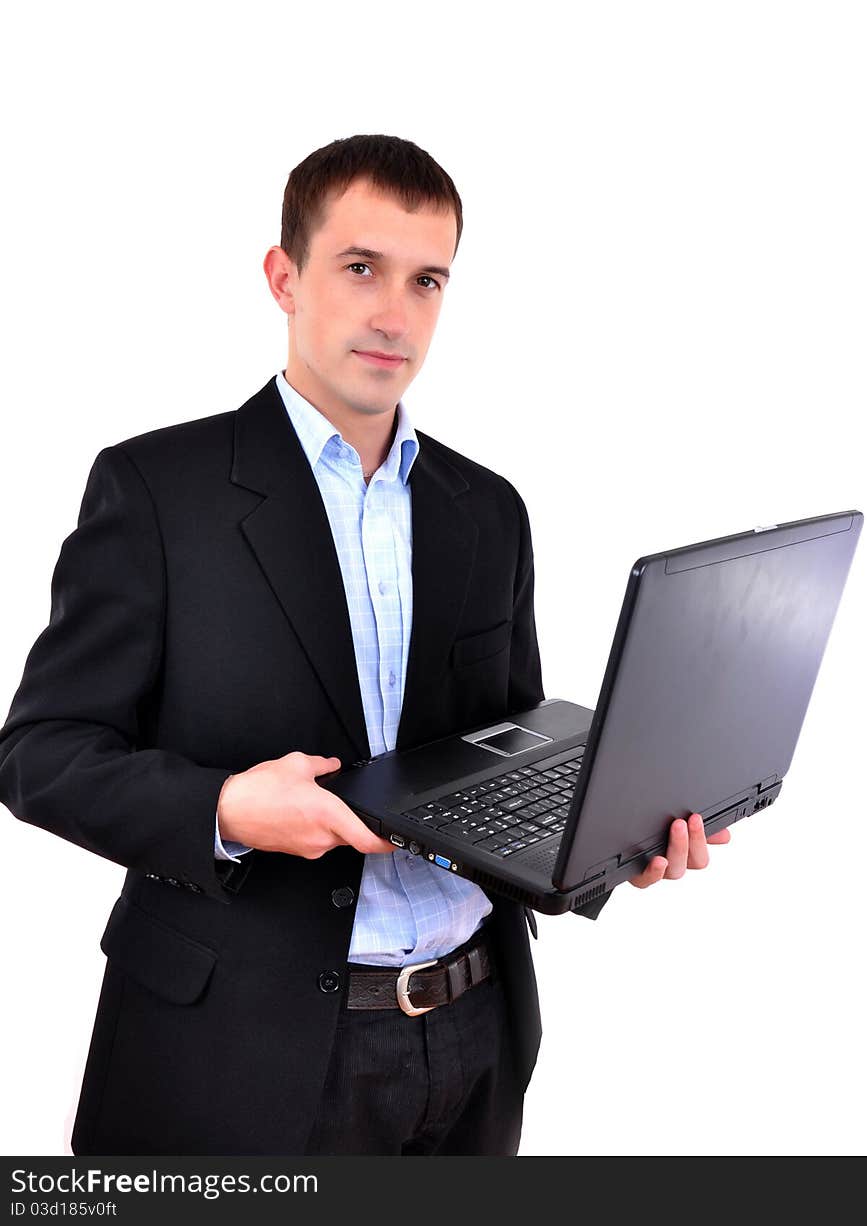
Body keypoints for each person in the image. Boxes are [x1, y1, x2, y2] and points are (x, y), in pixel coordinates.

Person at [0, 134, 730, 1157]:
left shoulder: (486, 509)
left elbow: (507, 747)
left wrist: (608, 843)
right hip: (240, 1050)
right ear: (283, 277)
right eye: (361, 269)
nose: (396, 313)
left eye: (426, 279)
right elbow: (41, 752)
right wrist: (225, 810)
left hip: (475, 1033)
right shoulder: (157, 491)